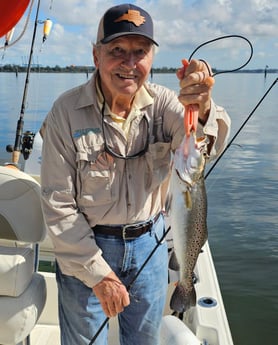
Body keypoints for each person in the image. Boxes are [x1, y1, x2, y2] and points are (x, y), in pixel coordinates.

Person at [40, 3, 231, 345]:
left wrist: (202, 107)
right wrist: (99, 275)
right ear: (96, 56)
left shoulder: (166, 104)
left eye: (139, 52)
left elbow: (200, 139)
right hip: (87, 249)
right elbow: (58, 205)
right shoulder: (64, 113)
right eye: (117, 51)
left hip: (151, 246)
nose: (129, 64)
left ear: (151, 59)